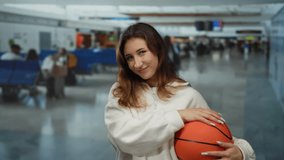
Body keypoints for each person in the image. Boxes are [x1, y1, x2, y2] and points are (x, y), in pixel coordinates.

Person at [104, 22, 255, 160]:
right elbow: (124, 138)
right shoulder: (121, 92)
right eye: (129, 57)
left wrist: (242, 152)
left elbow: (218, 137)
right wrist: (179, 116)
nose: (137, 63)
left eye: (142, 52)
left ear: (157, 49)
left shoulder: (189, 96)